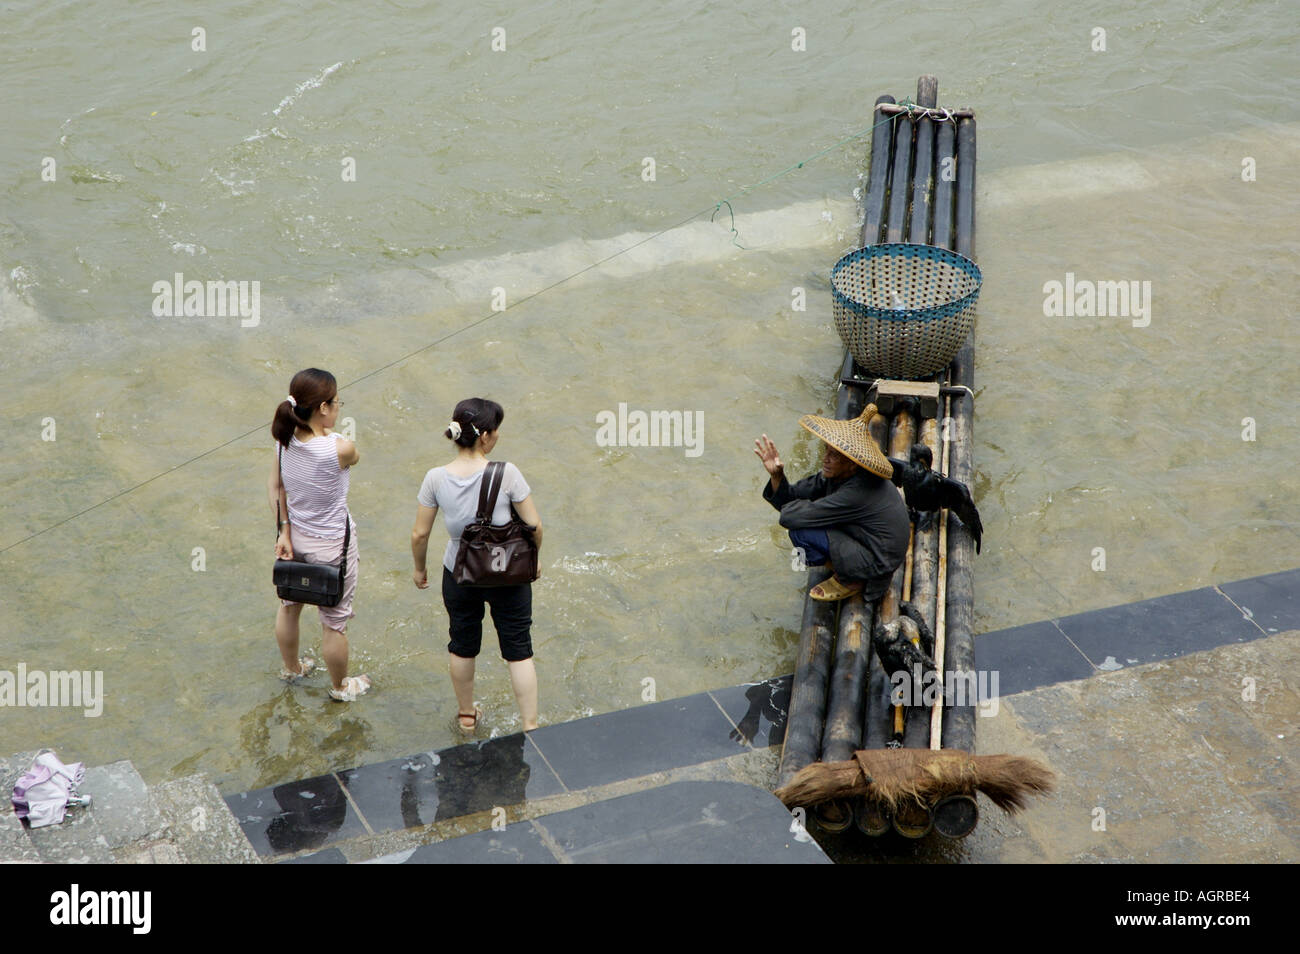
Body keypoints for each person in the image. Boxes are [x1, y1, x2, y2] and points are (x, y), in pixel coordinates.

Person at [411, 398, 542, 734]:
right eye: (496, 430)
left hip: (459, 572)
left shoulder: (435, 478)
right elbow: (535, 527)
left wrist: (419, 569)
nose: (498, 436)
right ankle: (530, 724)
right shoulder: (507, 473)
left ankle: (467, 716)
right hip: (508, 574)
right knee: (518, 650)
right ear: (484, 436)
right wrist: (533, 562)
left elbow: (420, 533)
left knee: (463, 644)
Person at [268, 368, 371, 702]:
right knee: (333, 624)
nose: (339, 406)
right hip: (332, 548)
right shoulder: (340, 448)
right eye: (337, 401)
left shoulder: (283, 443)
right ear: (323, 408)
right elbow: (353, 455)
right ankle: (342, 687)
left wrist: (284, 531)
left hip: (294, 541)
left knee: (289, 607)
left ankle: (291, 669)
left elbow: (276, 488)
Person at [754, 403, 909, 602]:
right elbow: (791, 497)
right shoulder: (835, 475)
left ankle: (853, 578)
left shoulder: (856, 491)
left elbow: (788, 517)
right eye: (826, 451)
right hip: (866, 539)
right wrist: (777, 476)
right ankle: (846, 563)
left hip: (879, 559)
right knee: (810, 518)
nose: (826, 459)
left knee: (801, 533)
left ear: (852, 464)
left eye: (834, 455)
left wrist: (809, 511)